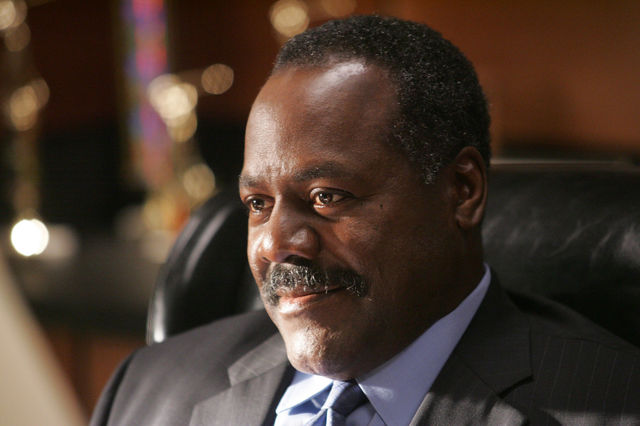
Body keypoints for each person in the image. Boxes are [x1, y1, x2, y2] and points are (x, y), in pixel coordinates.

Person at [91, 15, 640, 425]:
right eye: (258, 204)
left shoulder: (613, 405)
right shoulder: (148, 390)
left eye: (326, 197)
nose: (277, 244)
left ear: (462, 191)